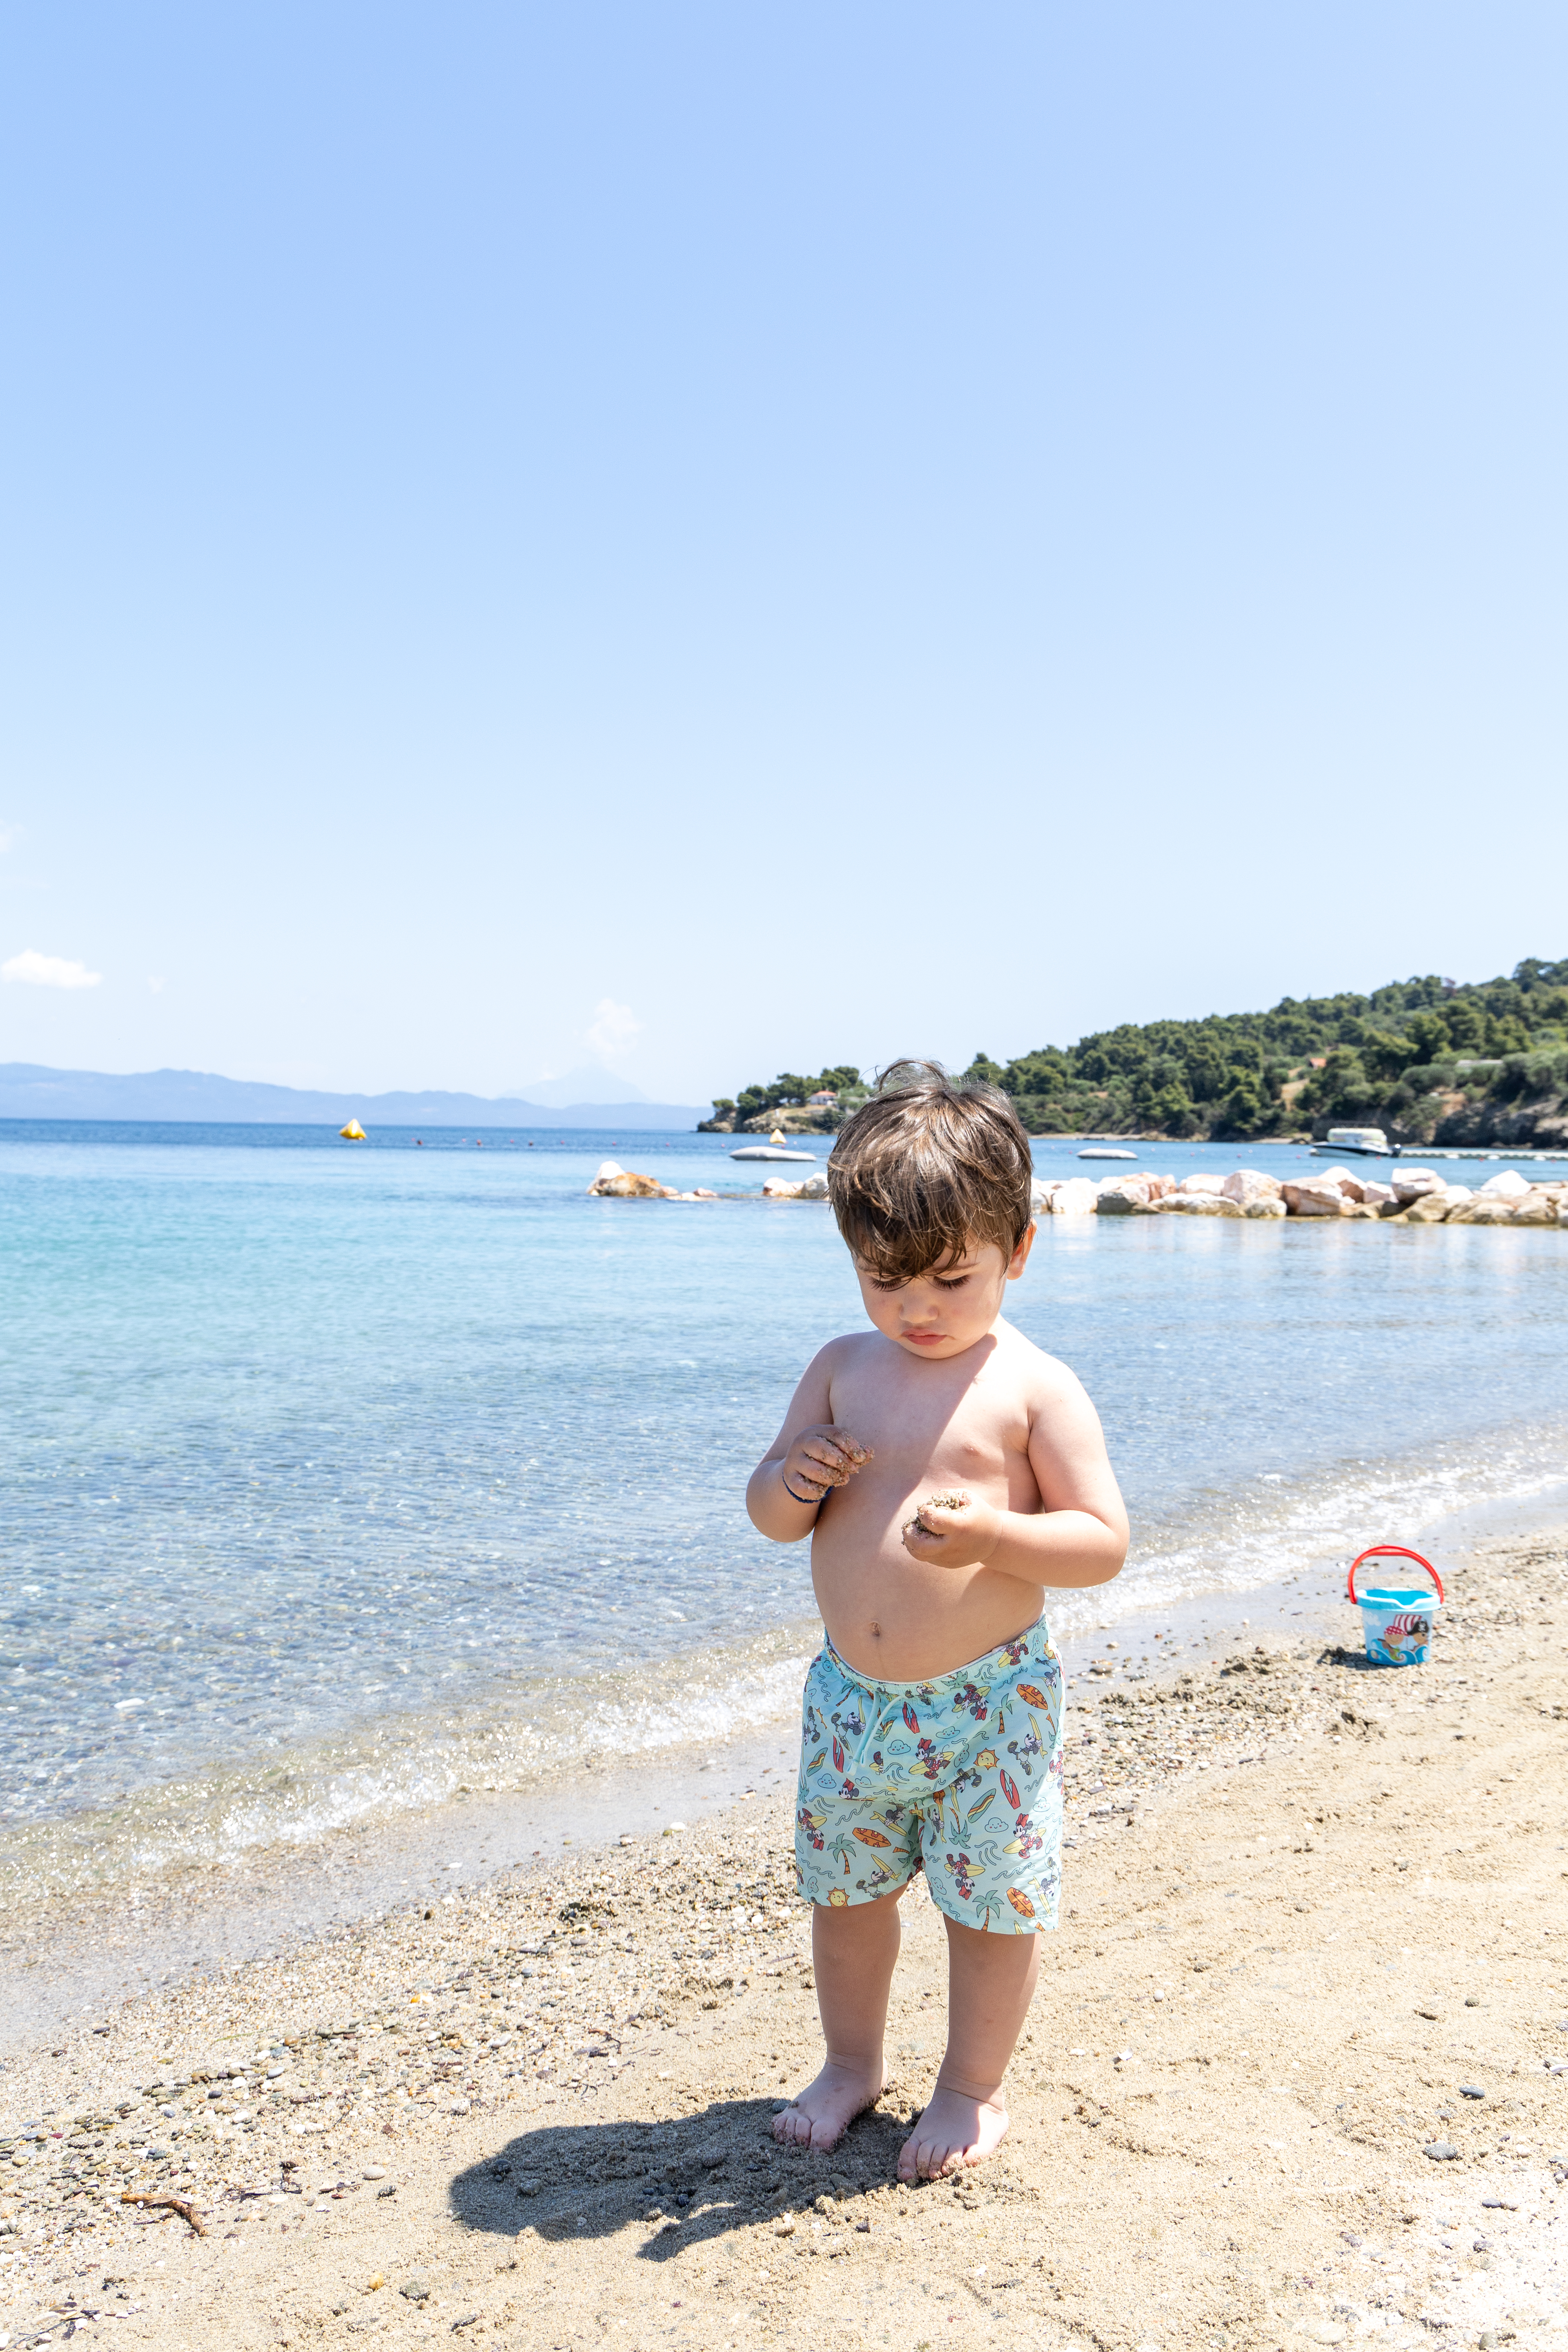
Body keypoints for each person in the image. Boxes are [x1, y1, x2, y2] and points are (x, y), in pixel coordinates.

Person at [746, 1063, 1127, 2181]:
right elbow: (770, 1516)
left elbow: (1102, 1540)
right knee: (847, 1896)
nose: (915, 1309)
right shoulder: (841, 1368)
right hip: (851, 1707)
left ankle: (969, 2085)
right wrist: (796, 1477)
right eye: (883, 1279)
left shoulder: (1035, 1389)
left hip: (987, 1707)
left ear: (1017, 1249)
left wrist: (996, 1538)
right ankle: (850, 2064)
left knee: (993, 1901)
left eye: (949, 1279)